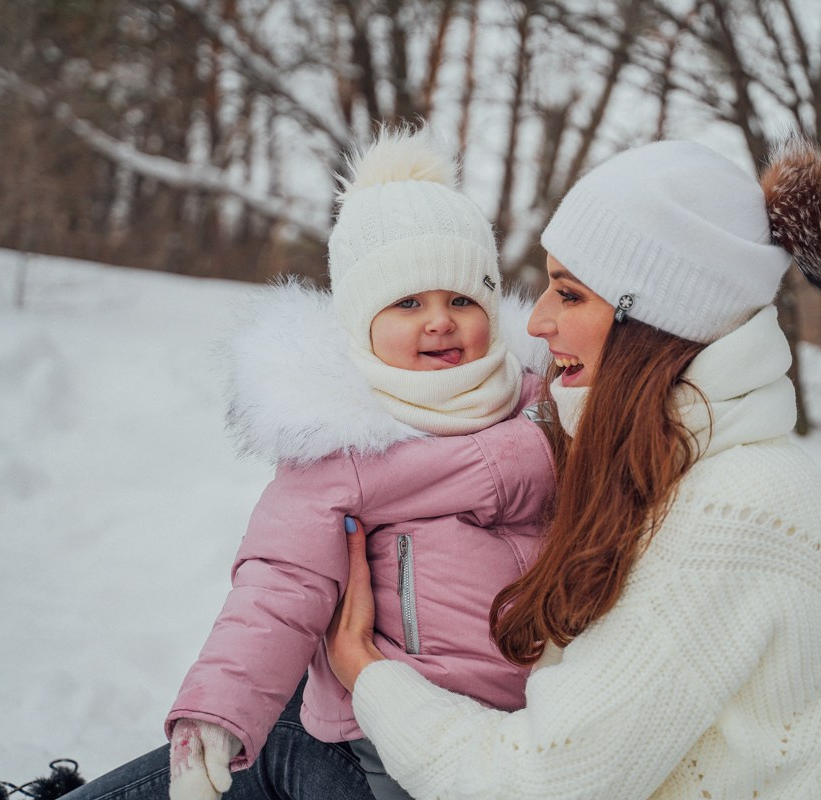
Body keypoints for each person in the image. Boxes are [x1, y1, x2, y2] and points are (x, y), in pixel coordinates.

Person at [326, 137, 821, 799]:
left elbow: (544, 782)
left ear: (656, 320)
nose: (539, 323)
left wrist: (365, 671)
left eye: (571, 294)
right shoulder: (674, 466)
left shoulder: (734, 509)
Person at [61, 130, 555, 800]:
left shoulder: (544, 408)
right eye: (408, 302)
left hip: (526, 740)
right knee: (283, 725)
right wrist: (218, 712)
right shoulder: (347, 448)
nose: (440, 321)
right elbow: (280, 587)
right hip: (384, 750)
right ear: (360, 320)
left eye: (462, 300)